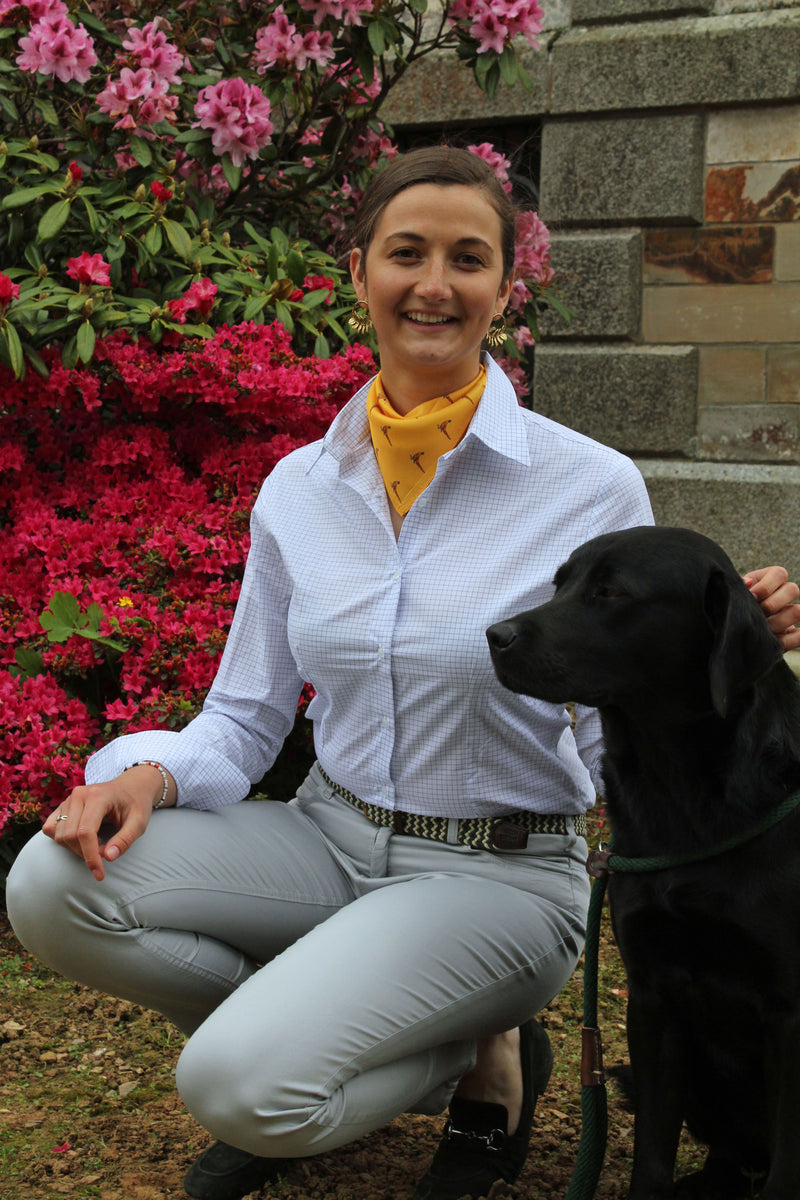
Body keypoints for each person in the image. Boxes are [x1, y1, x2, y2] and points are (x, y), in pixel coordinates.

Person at [7, 147, 800, 1200]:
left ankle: (479, 1052)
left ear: (503, 290)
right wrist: (139, 776)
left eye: (466, 258)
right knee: (50, 888)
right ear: (358, 274)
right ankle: (373, 1035)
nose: (433, 283)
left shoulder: (587, 484)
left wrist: (730, 653)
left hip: (497, 873)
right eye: (406, 253)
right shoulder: (300, 485)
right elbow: (245, 714)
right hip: (323, 837)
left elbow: (629, 713)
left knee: (239, 1088)